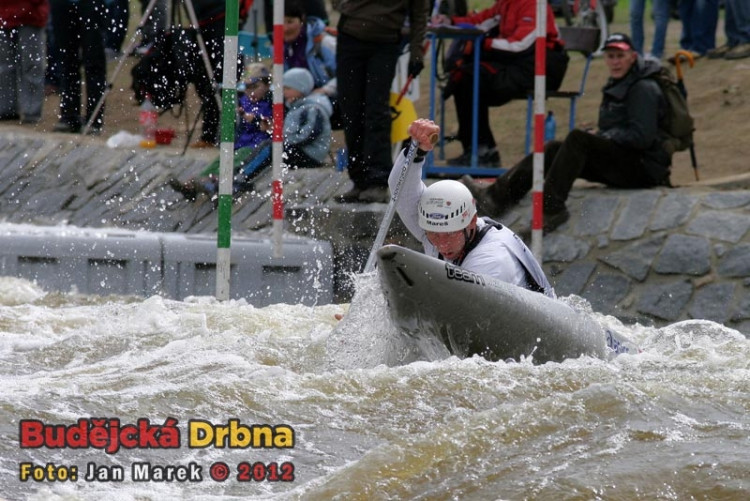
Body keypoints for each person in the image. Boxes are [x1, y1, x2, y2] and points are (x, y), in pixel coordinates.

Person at [462, 33, 672, 235]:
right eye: (611, 56)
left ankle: (552, 208)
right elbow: (621, 132)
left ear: (633, 57)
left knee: (577, 138)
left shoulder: (642, 88)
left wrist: (604, 136)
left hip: (645, 169)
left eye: (621, 56)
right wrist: (602, 134)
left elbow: (642, 137)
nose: (615, 62)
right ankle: (495, 199)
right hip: (627, 159)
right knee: (554, 147)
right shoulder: (620, 82)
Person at [389, 117, 554, 297]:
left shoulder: (493, 261)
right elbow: (401, 189)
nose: (442, 244)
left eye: (450, 234)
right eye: (433, 234)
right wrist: (417, 151)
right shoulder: (438, 228)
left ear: (472, 222)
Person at [431, 0, 568, 167]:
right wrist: (451, 22)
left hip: (541, 69)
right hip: (519, 64)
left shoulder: (534, 5)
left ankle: (483, 152)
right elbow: (483, 20)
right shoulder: (505, 3)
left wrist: (483, 43)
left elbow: (519, 45)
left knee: (471, 78)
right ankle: (478, 150)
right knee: (463, 77)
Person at [170, 68, 332, 200]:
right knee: (235, 155)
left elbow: (307, 135)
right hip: (281, 146)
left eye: (287, 89)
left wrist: (281, 139)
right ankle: (207, 182)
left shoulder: (311, 109)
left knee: (267, 148)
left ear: (301, 89)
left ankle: (238, 180)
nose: (283, 92)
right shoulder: (295, 107)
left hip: (310, 155)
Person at [333, 0, 430, 204]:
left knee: (376, 111)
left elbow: (419, 14)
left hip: (384, 42)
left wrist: (416, 51)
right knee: (350, 110)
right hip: (350, 37)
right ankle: (358, 180)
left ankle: (377, 180)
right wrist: (344, 6)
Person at [50, 0, 107, 134]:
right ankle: (69, 116)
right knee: (66, 60)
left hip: (91, 4)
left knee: (94, 61)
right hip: (62, 5)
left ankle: (94, 118)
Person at [0, 0, 49, 124]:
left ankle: (31, 110)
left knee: (31, 65)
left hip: (30, 14)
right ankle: (6, 107)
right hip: (3, 14)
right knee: (4, 66)